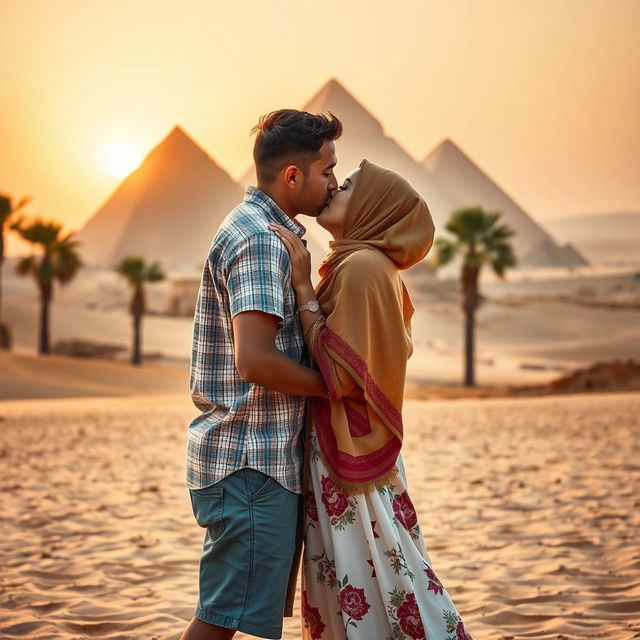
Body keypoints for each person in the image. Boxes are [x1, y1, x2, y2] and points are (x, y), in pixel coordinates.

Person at [269, 159, 475, 639]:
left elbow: (338, 375)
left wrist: (302, 286)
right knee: (378, 567)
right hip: (354, 447)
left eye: (351, 185)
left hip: (347, 454)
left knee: (376, 571)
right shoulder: (360, 264)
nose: (337, 186)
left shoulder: (362, 267)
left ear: (373, 209)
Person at [180, 109, 343, 640]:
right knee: (220, 622)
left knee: (229, 616)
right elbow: (255, 360)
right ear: (292, 176)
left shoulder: (262, 230)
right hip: (252, 462)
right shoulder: (260, 241)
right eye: (327, 171)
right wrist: (337, 387)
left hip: (253, 463)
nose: (334, 183)